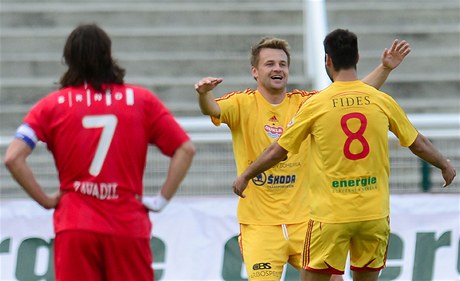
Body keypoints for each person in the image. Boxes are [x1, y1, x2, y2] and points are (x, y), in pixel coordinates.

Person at [232, 29, 456, 281]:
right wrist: (444, 164)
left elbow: (277, 151)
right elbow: (418, 143)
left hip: (331, 217)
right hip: (373, 214)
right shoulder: (380, 100)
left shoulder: (315, 105)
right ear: (358, 57)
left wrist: (246, 175)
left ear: (327, 60)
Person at [195, 35, 411, 280]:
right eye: (270, 64)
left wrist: (384, 68)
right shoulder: (241, 103)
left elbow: (357, 93)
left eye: (282, 64)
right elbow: (212, 109)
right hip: (260, 225)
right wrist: (204, 94)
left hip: (306, 221)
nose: (278, 68)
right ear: (255, 71)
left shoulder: (307, 103)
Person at [3, 24, 195, 281]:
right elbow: (185, 148)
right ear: (108, 55)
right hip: (126, 225)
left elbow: (13, 157)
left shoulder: (51, 105)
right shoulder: (141, 100)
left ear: (69, 59)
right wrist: (160, 200)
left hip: (75, 225)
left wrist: (45, 200)